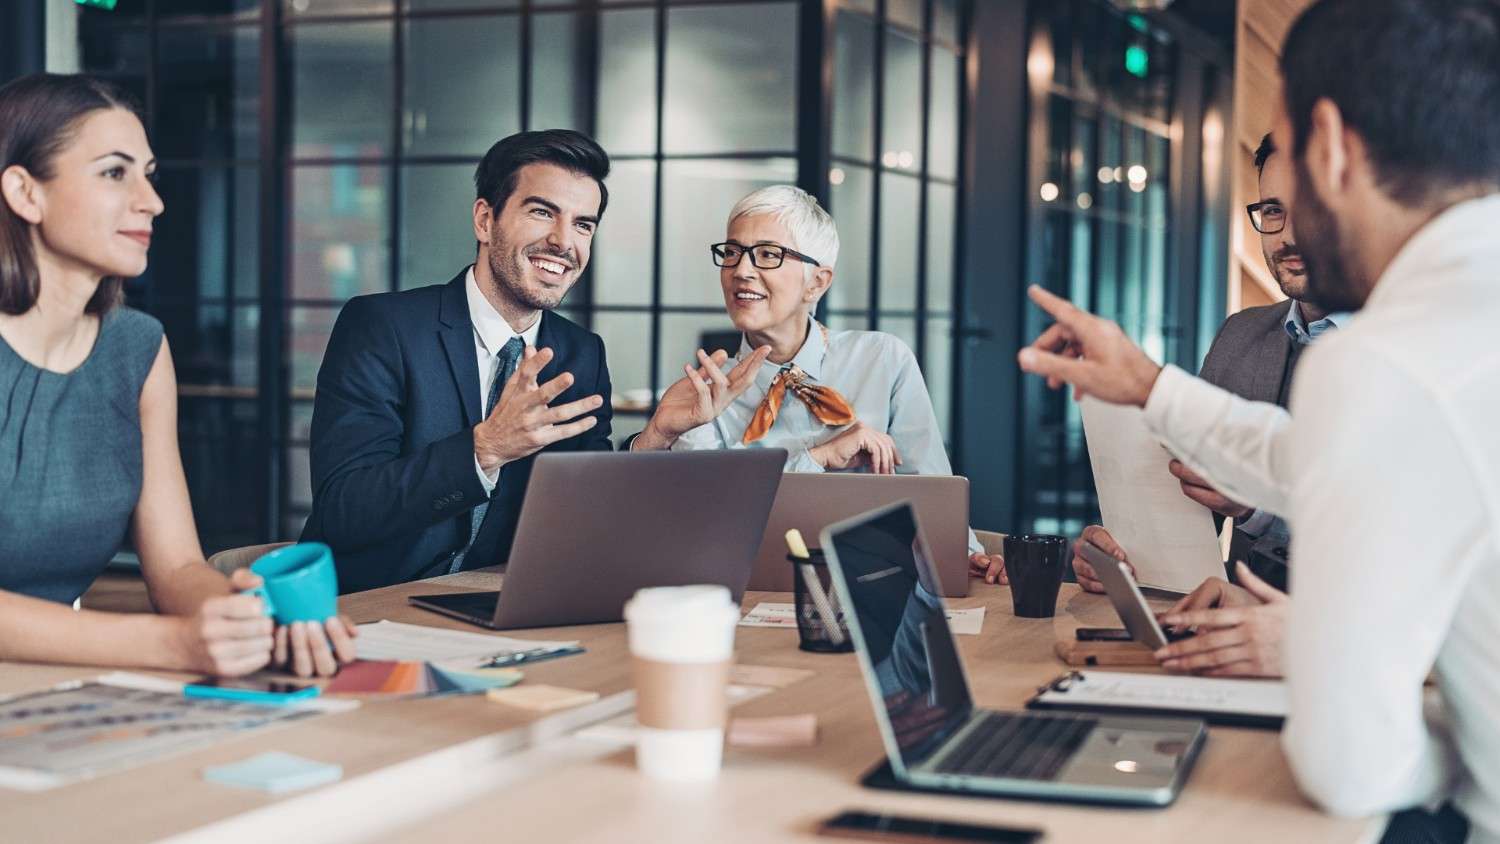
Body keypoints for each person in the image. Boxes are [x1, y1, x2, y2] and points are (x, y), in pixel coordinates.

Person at [1017, 0, 1499, 838]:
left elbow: (1351, 766)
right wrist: (1147, 386)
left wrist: (1463, 750)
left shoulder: (1389, 360)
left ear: (1332, 145)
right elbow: (1337, 461)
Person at [0, 73, 352, 678]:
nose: (151, 201)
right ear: (25, 192)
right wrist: (169, 645)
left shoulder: (137, 348)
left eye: (148, 173)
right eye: (115, 173)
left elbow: (177, 570)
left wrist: (253, 617)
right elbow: (166, 635)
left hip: (48, 688)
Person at [1072, 132, 1351, 679]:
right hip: (1228, 642)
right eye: (1273, 210)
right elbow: (1186, 505)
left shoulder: (1412, 357)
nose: (1288, 234)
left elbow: (1391, 534)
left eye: (1311, 209)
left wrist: (1257, 506)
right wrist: (1121, 556)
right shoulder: (1242, 335)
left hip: (1352, 663)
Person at [628, 185, 1005, 582]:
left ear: (817, 282)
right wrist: (822, 458)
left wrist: (965, 554)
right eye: (733, 252)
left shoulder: (881, 359)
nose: (741, 270)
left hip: (876, 585)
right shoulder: (704, 393)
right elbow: (719, 524)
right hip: (750, 596)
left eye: (768, 255)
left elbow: (930, 489)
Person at [302, 130, 614, 593]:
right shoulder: (384, 327)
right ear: (485, 221)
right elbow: (344, 509)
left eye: (583, 224)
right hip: (367, 609)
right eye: (542, 212)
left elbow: (582, 512)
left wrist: (656, 438)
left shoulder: (580, 352)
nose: (563, 241)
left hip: (498, 609)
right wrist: (485, 448)